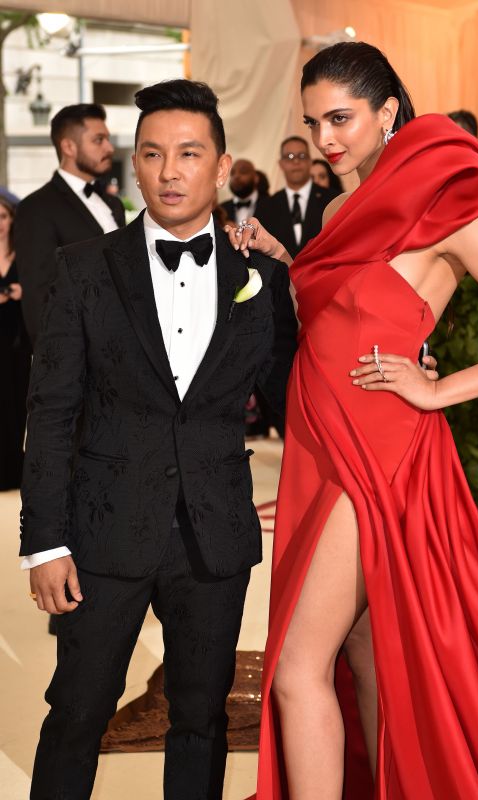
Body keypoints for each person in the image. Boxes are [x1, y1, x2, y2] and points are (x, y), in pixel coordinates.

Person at [231, 42, 478, 798]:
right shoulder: (332, 208)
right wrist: (283, 258)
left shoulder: (445, 209)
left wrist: (438, 389)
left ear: (388, 113)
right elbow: (344, 310)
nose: (325, 138)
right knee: (367, 652)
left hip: (377, 453)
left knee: (294, 669)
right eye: (314, 121)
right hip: (316, 446)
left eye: (343, 118)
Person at [19, 79, 297, 800]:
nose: (170, 170)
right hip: (101, 536)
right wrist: (45, 541)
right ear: (133, 167)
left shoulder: (258, 276)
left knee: (201, 718)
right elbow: (50, 411)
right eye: (152, 154)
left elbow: (296, 395)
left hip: (214, 539)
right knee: (76, 714)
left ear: (220, 163)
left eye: (188, 153)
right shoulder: (83, 268)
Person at [14, 103, 126, 347]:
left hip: (124, 348)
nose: (109, 147)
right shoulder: (36, 208)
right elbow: (38, 297)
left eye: (107, 139)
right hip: (77, 354)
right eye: (99, 140)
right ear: (68, 147)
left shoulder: (113, 204)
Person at [258, 136, 339, 258]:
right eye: (289, 157)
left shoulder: (333, 200)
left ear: (310, 162)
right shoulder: (265, 207)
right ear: (281, 164)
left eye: (301, 156)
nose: (296, 162)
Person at [0, 195, 30, 490]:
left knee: (17, 406)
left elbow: (39, 292)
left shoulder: (24, 255)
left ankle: (13, 471)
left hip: (18, 344)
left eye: (3, 217)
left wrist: (23, 293)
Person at [220, 158, 270, 225]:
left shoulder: (273, 205)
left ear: (256, 178)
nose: (236, 176)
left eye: (243, 172)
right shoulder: (221, 209)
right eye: (232, 173)